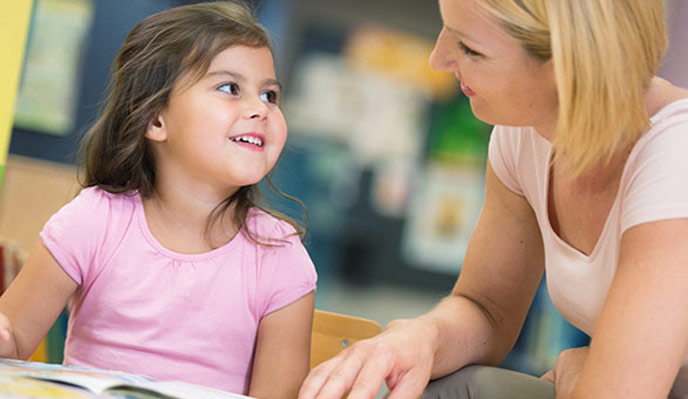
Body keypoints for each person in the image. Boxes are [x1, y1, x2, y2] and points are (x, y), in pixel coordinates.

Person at [299, 0, 688, 398]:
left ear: (567, 68)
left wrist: (595, 370)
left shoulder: (675, 157)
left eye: (471, 49)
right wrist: (421, 338)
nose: (439, 59)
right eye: (446, 29)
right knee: (447, 386)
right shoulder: (526, 132)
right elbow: (487, 308)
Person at [0, 2, 317, 398]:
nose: (260, 109)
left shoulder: (279, 256)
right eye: (229, 88)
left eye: (270, 94)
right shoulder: (93, 220)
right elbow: (10, 345)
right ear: (155, 119)